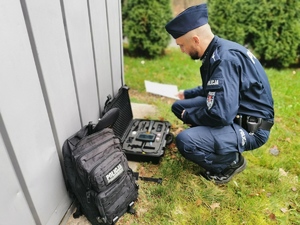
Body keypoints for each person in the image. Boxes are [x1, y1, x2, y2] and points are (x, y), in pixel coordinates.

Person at [165, 3, 274, 184]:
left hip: (250, 128)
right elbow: (216, 90)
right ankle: (212, 139)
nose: (182, 50)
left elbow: (221, 114)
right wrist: (187, 94)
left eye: (181, 45)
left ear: (196, 40)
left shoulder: (224, 59)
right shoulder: (218, 50)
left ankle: (230, 162)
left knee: (184, 141)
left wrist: (190, 115)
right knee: (178, 106)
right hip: (235, 112)